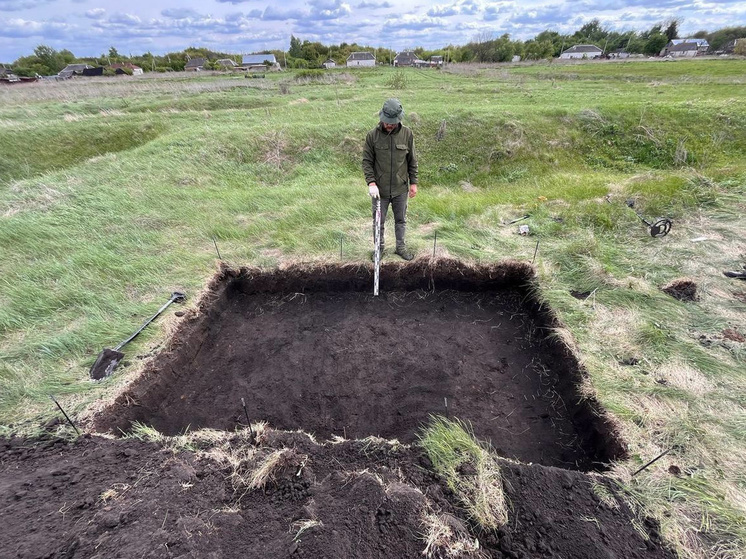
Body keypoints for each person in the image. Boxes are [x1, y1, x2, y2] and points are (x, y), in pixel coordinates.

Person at [362, 98, 418, 261]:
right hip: (380, 191)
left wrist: (413, 182)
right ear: (382, 118)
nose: (390, 125)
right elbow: (367, 161)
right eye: (387, 122)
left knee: (400, 220)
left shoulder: (407, 134)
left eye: (393, 123)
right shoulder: (372, 136)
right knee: (378, 222)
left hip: (401, 188)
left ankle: (400, 247)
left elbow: (412, 160)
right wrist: (371, 183)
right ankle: (378, 249)